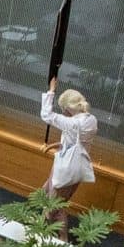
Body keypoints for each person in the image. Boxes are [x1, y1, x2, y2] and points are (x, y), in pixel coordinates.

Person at [39, 77, 96, 226]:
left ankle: (59, 237)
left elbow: (46, 115)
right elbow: (74, 143)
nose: (62, 112)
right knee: (47, 191)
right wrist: (53, 146)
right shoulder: (91, 120)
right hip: (78, 167)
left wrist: (51, 90)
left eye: (63, 109)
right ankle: (46, 226)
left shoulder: (71, 123)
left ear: (68, 108)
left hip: (66, 167)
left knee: (55, 206)